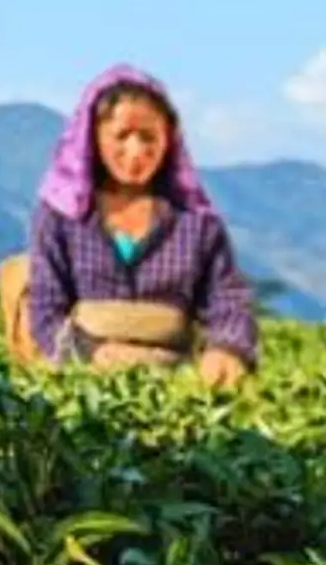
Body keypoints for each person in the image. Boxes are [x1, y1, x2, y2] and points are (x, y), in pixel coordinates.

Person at [25, 64, 257, 384]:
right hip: (81, 379)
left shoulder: (196, 224)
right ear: (94, 139)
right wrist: (90, 353)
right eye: (121, 135)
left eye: (149, 137)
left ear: (168, 140)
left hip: (175, 378)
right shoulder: (60, 217)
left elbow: (227, 299)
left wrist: (227, 348)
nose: (136, 151)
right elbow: (45, 310)